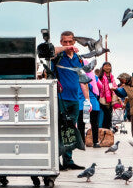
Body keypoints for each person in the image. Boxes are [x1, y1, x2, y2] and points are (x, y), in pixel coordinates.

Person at [51, 30, 89, 171]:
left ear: (74, 42)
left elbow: (83, 81)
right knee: (60, 128)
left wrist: (87, 100)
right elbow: (50, 51)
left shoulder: (78, 59)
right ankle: (56, 160)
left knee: (71, 130)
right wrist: (66, 48)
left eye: (70, 42)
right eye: (64, 41)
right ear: (61, 42)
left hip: (74, 100)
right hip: (61, 98)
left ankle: (68, 160)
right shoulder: (58, 56)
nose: (68, 44)